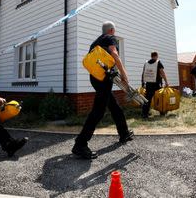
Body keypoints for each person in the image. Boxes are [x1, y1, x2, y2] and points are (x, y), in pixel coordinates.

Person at [72, 21, 134, 159]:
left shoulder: (95, 42)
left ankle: (124, 133)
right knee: (98, 111)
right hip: (104, 79)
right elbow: (115, 54)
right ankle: (80, 144)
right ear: (111, 30)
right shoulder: (110, 38)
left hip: (95, 78)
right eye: (114, 31)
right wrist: (125, 76)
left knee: (114, 105)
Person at [141, 51, 169, 118]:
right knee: (160, 98)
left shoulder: (146, 63)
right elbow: (162, 72)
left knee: (147, 99)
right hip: (156, 84)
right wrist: (166, 82)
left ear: (151, 56)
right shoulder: (158, 62)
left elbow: (143, 73)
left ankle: (144, 114)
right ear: (156, 56)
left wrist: (142, 82)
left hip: (148, 84)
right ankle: (162, 112)